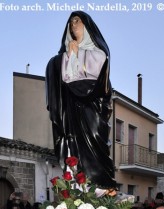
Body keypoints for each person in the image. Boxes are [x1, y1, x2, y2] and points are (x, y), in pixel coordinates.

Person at [45, 11, 117, 189]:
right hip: (71, 112)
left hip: (92, 109)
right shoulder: (59, 59)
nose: (73, 24)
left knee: (95, 146)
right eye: (70, 22)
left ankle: (101, 186)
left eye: (77, 20)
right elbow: (64, 79)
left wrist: (76, 55)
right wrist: (68, 56)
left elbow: (94, 83)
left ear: (87, 26)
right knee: (73, 145)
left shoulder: (98, 54)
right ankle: (78, 186)